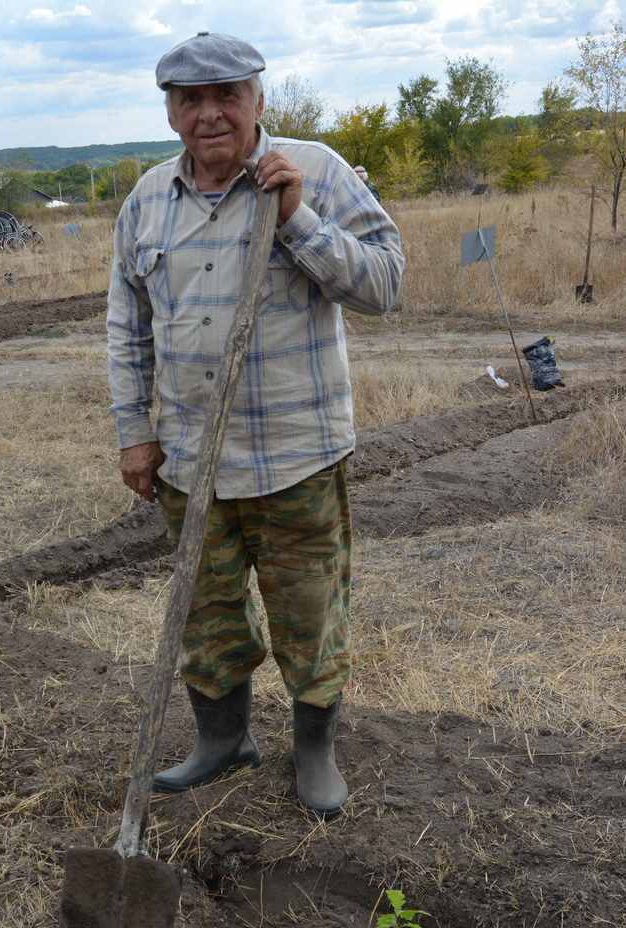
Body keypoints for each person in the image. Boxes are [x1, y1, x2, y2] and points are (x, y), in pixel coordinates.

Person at [108, 31, 404, 817]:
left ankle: (314, 751)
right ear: (170, 112)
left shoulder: (317, 172)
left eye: (227, 96)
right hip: (189, 462)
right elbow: (127, 329)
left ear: (258, 101)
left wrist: (299, 217)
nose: (209, 114)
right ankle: (222, 740)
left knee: (310, 612)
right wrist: (134, 431)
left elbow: (383, 286)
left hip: (295, 458)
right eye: (190, 100)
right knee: (203, 613)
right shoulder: (146, 201)